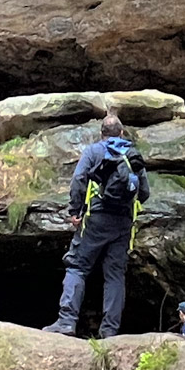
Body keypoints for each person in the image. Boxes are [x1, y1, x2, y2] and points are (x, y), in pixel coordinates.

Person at [43, 115, 150, 338]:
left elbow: (79, 179)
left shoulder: (94, 151)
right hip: (123, 223)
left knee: (78, 266)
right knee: (115, 275)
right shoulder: (132, 154)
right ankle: (110, 331)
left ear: (101, 134)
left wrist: (75, 211)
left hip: (96, 219)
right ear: (122, 133)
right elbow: (145, 192)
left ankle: (66, 322)